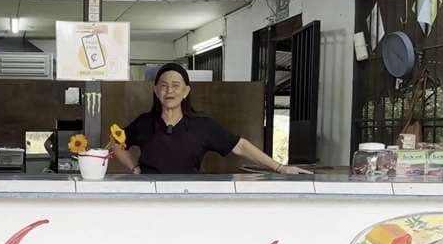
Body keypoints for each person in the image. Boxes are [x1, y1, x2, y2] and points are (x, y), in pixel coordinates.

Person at [113, 63, 311, 175]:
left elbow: (240, 146)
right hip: (148, 199)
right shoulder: (144, 123)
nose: (169, 90)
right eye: (163, 86)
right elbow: (116, 143)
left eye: (175, 85)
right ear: (156, 91)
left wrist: (280, 168)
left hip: (188, 198)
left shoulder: (203, 126)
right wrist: (135, 168)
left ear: (186, 91)